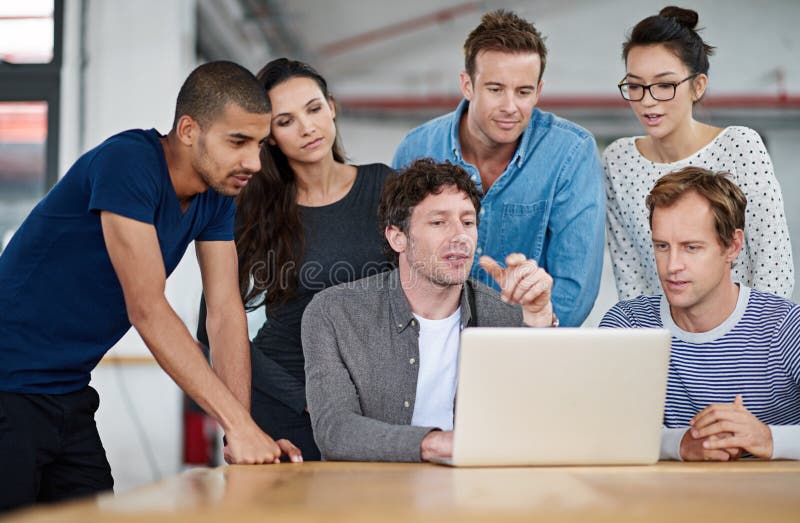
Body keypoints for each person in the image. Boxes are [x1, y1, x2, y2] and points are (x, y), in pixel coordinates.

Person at [0, 61, 300, 510]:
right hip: (7, 389)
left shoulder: (217, 195)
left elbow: (224, 312)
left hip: (67, 393)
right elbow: (147, 308)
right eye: (237, 141)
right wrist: (239, 425)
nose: (253, 162)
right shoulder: (127, 163)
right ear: (187, 129)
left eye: (259, 144)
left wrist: (238, 432)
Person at [302, 159, 558, 462]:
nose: (460, 236)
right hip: (371, 499)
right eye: (439, 222)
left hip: (479, 498)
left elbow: (545, 424)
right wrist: (436, 444)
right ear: (398, 237)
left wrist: (539, 318)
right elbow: (335, 430)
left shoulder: (509, 316)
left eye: (468, 222)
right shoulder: (333, 313)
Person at [392, 9, 604, 327]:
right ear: (467, 85)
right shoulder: (417, 148)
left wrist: (521, 344)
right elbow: (397, 263)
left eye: (523, 92)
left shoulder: (571, 152)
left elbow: (575, 288)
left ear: (539, 91)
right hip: (430, 339)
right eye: (495, 89)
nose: (510, 107)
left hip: (528, 344)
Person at [235, 59, 394, 461]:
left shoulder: (385, 186)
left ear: (332, 107)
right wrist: (302, 396)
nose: (307, 127)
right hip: (287, 400)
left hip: (371, 401)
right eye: (285, 121)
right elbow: (214, 329)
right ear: (269, 137)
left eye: (314, 108)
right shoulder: (258, 209)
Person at [600, 166, 800, 462]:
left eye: (691, 247)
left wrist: (770, 438)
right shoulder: (627, 326)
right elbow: (593, 432)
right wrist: (679, 444)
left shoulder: (786, 326)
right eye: (662, 246)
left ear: (732, 246)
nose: (672, 266)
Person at [604, 6, 793, 301]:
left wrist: (743, 340)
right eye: (635, 86)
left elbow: (774, 270)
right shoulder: (618, 160)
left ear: (698, 86)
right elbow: (631, 282)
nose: (647, 101)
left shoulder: (740, 146)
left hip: (742, 338)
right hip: (662, 340)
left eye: (664, 85)